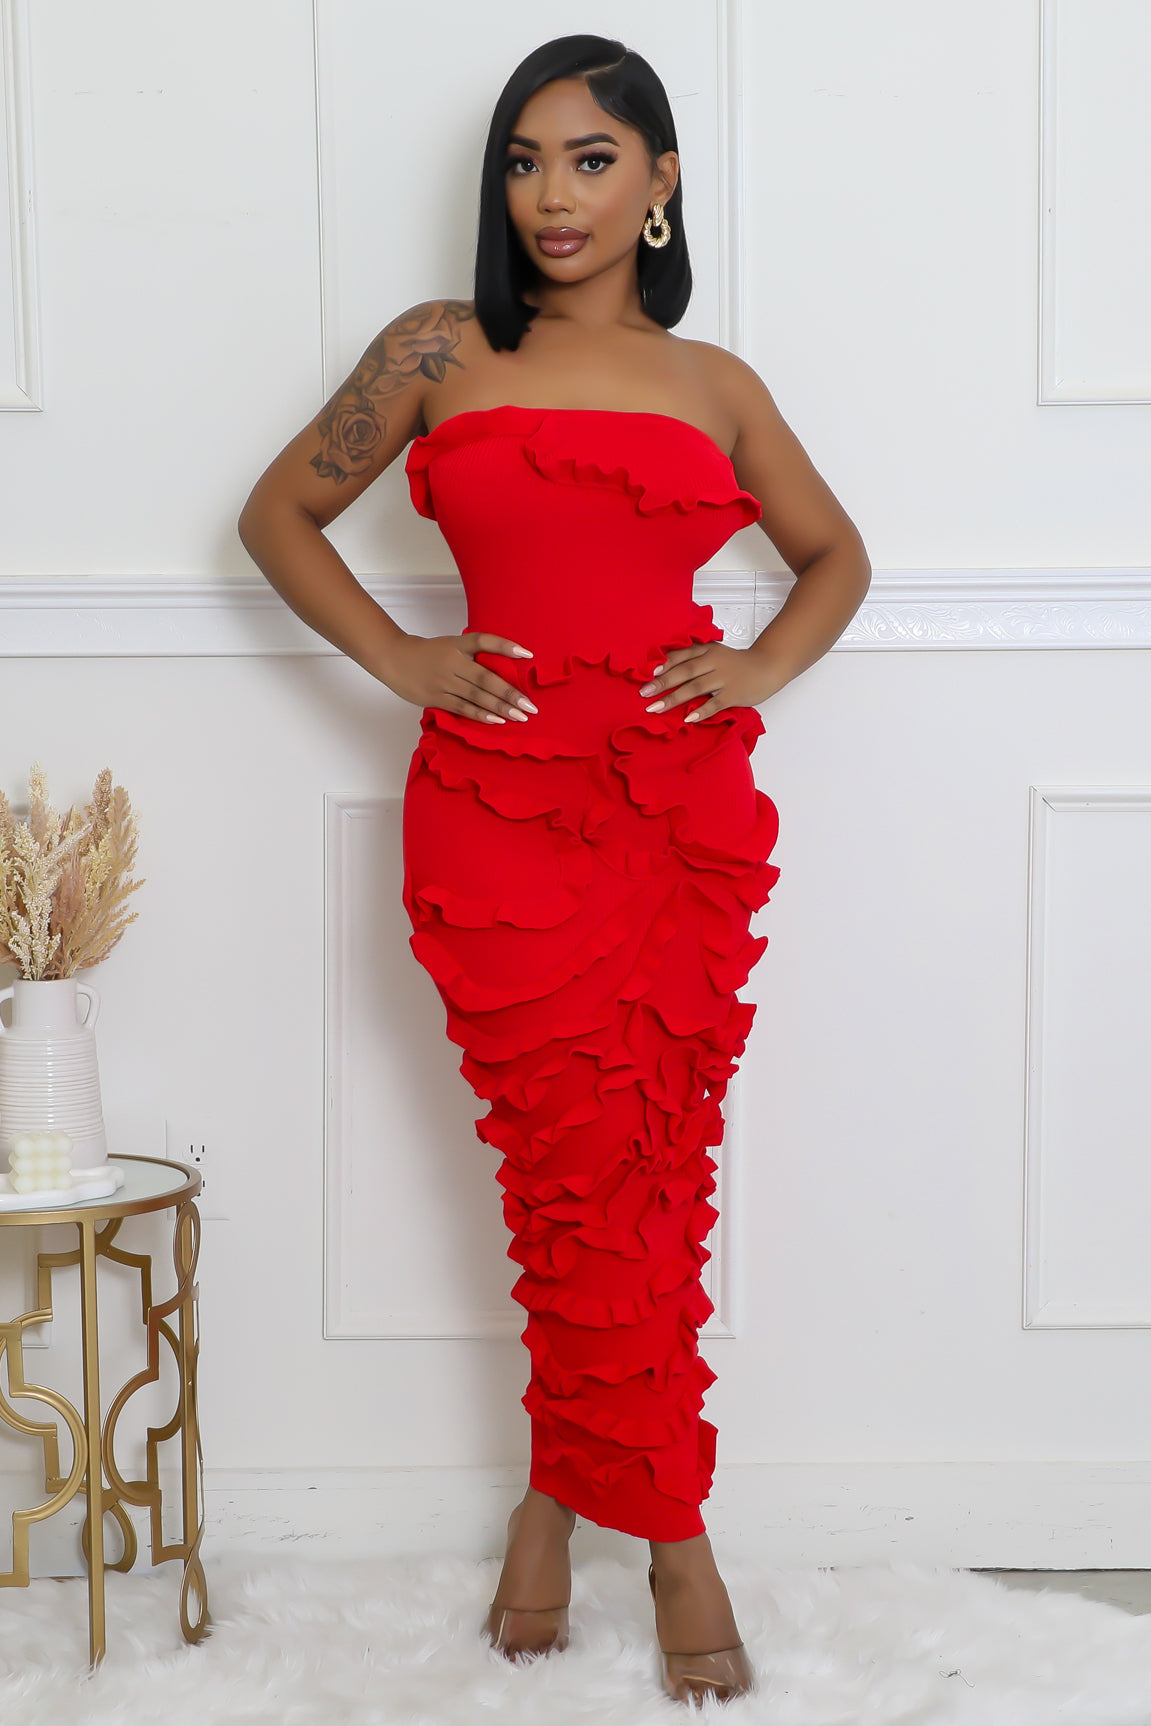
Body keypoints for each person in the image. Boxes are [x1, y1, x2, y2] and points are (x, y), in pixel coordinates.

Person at [238, 32, 871, 1708]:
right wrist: (401, 656)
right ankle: (675, 1536)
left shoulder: (717, 383)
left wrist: (757, 664)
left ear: (662, 182)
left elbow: (835, 554)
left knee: (645, 1179)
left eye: (593, 159)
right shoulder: (438, 348)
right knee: (562, 1176)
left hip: (675, 822)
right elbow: (276, 515)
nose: (553, 195)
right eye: (525, 161)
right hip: (498, 819)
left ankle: (557, 1504)